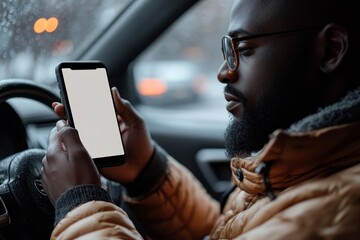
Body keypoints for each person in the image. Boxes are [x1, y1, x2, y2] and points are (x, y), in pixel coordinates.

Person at [41, 0, 360, 239]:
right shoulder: (306, 167)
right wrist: (147, 173)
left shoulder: (337, 210)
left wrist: (79, 203)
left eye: (244, 49)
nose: (224, 72)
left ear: (331, 50)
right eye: (226, 50)